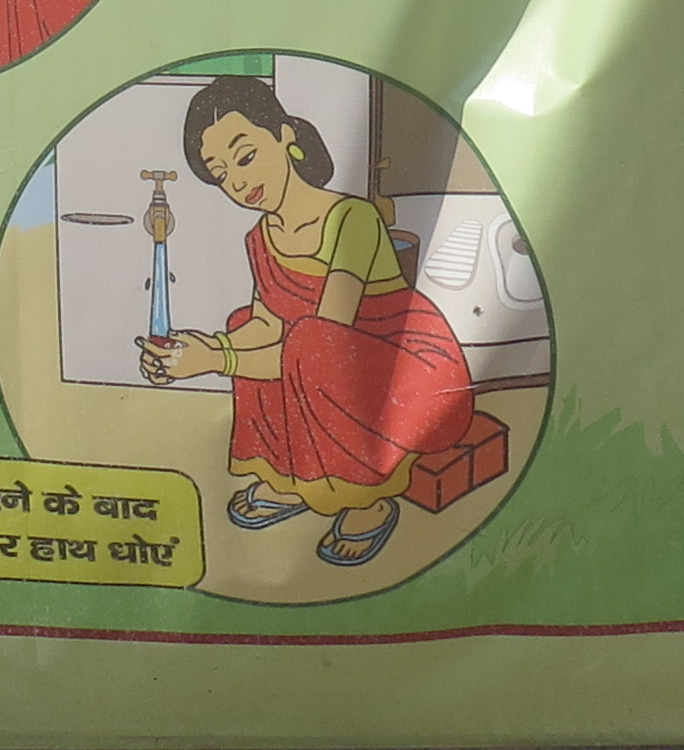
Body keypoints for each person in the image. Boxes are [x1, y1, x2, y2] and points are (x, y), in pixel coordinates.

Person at [138, 75, 475, 571]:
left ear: (285, 136)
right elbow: (264, 326)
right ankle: (288, 477)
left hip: (408, 373)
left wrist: (218, 358)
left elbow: (329, 338)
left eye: (246, 156)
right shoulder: (261, 236)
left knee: (308, 341)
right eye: (221, 173)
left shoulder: (351, 219)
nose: (237, 181)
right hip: (328, 364)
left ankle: (368, 498)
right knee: (243, 324)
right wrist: (200, 349)